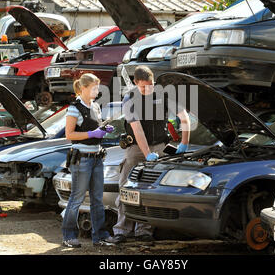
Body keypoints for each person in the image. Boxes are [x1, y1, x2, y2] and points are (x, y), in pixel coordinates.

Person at [106, 66, 191, 244]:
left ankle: (144, 230)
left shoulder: (164, 96)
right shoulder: (129, 99)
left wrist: (184, 142)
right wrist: (147, 154)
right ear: (136, 83)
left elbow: (184, 117)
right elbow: (137, 130)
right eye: (144, 87)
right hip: (136, 148)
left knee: (151, 190)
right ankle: (121, 230)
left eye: (151, 85)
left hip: (160, 146)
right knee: (127, 189)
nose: (148, 89)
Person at [61, 73, 114, 248]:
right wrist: (92, 134)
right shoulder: (74, 108)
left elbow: (95, 128)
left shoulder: (96, 106)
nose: (97, 91)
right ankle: (69, 235)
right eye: (94, 88)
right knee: (76, 198)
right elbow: (70, 135)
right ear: (83, 88)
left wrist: (104, 130)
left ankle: (99, 236)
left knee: (97, 199)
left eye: (98, 88)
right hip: (82, 159)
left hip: (97, 157)